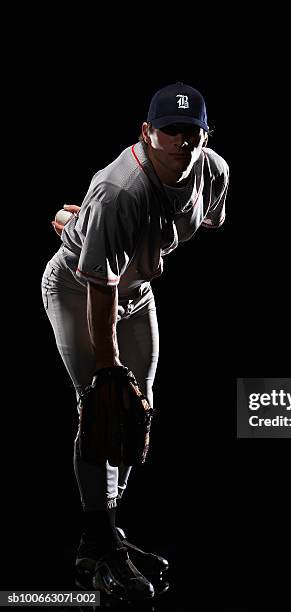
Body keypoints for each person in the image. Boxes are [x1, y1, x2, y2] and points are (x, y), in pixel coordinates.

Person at [41, 82, 229, 600]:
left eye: (193, 132)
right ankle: (96, 540)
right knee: (104, 406)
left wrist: (93, 226)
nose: (182, 142)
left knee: (137, 412)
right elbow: (100, 290)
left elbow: (204, 219)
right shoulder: (120, 189)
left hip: (136, 290)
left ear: (206, 135)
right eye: (170, 131)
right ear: (147, 133)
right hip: (79, 289)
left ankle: (106, 532)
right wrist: (108, 366)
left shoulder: (213, 173)